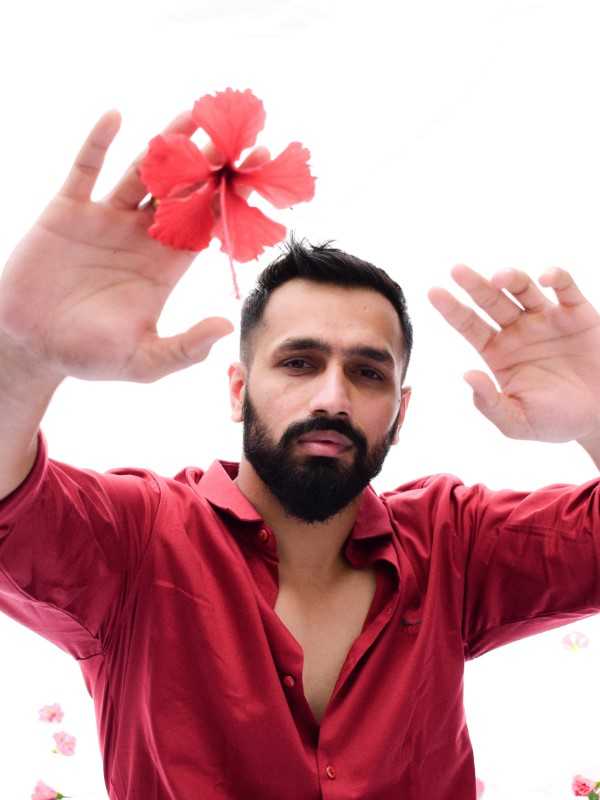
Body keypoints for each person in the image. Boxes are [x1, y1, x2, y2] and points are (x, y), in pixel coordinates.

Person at [1, 110, 599, 800]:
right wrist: (21, 361)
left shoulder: (454, 544)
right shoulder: (138, 541)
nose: (333, 397)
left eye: (368, 373)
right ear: (238, 390)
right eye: (299, 362)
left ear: (401, 413)